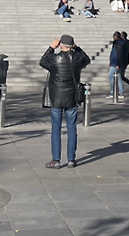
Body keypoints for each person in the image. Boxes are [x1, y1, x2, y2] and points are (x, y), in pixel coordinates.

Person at [39, 35, 89, 168]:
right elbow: (87, 59)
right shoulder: (78, 59)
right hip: (72, 97)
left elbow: (42, 61)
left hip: (56, 97)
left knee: (56, 129)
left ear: (61, 45)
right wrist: (77, 48)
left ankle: (56, 160)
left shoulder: (54, 59)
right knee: (72, 129)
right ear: (71, 46)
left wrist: (51, 47)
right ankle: (71, 159)